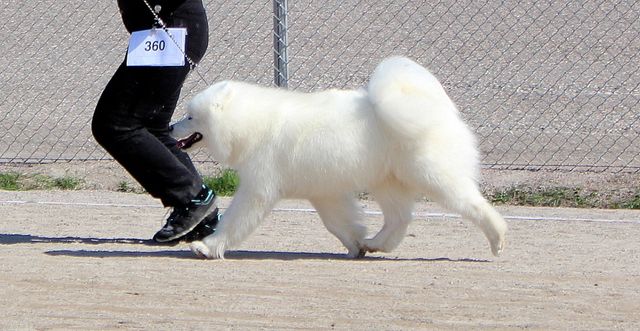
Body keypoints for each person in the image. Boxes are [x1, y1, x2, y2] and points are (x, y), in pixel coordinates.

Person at [92, 0, 218, 243]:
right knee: (151, 128)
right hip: (163, 34)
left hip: (173, 32)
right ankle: (203, 216)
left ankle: (192, 198)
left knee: (114, 124)